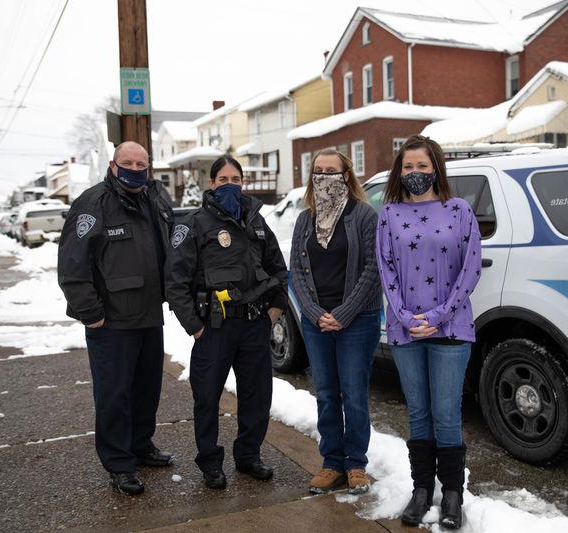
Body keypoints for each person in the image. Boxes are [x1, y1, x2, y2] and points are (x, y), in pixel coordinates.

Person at [57, 141, 177, 496]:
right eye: (128, 162)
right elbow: (72, 267)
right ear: (113, 165)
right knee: (114, 395)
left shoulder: (154, 198)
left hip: (148, 315)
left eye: (142, 163)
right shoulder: (93, 205)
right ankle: (119, 463)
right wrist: (91, 314)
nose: (135, 168)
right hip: (111, 323)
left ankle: (141, 446)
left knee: (147, 388)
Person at [376, 135, 482, 529]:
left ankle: (453, 494)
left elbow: (470, 269)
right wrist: (402, 316)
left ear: (436, 168)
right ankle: (422, 490)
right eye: (408, 167)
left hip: (451, 328)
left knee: (446, 414)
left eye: (422, 166)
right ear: (399, 172)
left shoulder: (458, 210)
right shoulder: (389, 213)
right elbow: (385, 269)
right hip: (406, 330)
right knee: (418, 413)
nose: (415, 173)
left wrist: (439, 314)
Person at [165, 156, 287, 490]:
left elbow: (278, 269)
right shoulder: (195, 224)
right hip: (214, 329)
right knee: (207, 398)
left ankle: (248, 457)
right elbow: (175, 282)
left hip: (253, 326)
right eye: (223, 179)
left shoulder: (258, 223)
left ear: (243, 183)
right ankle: (210, 463)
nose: (230, 184)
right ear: (211, 184)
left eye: (236, 178)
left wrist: (275, 307)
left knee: (257, 396)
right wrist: (195, 326)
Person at [290, 148, 382, 495]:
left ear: (347, 175)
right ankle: (332, 462)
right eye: (318, 170)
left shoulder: (364, 216)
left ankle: (356, 463)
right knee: (327, 395)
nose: (324, 176)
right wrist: (315, 314)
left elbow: (374, 269)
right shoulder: (305, 219)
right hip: (317, 322)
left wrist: (342, 314)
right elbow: (296, 272)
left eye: (332, 170)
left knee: (354, 393)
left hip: (357, 320)